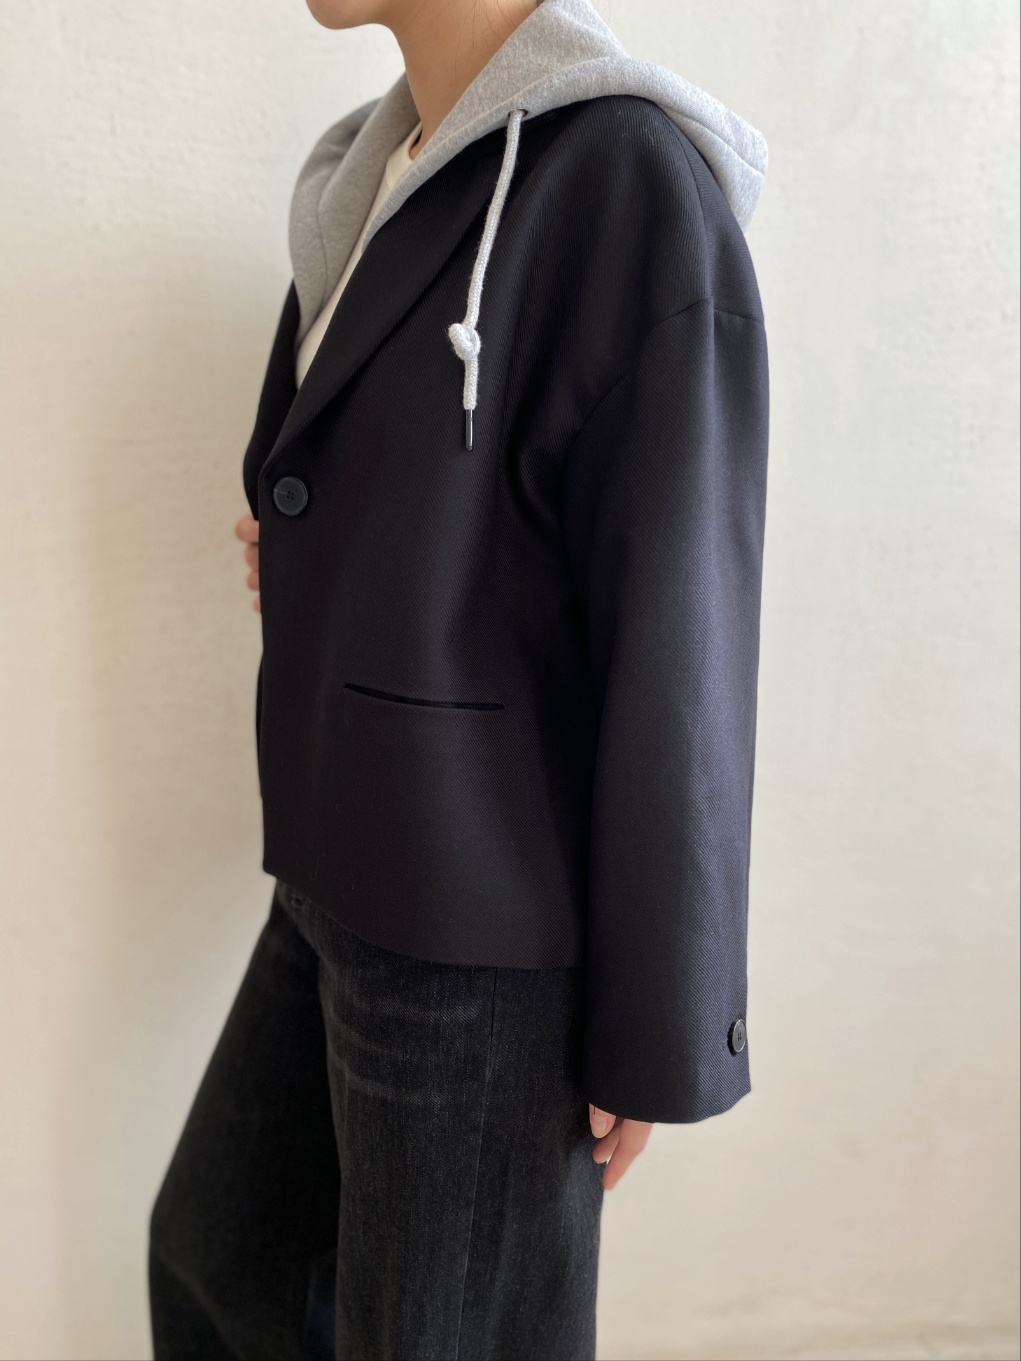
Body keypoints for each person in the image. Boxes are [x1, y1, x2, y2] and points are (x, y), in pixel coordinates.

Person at [148, 0, 769, 1356]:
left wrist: (657, 1017)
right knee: (219, 1261)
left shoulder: (619, 175)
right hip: (333, 863)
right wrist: (319, 554)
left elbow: (681, 616)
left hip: (477, 914)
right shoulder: (386, 165)